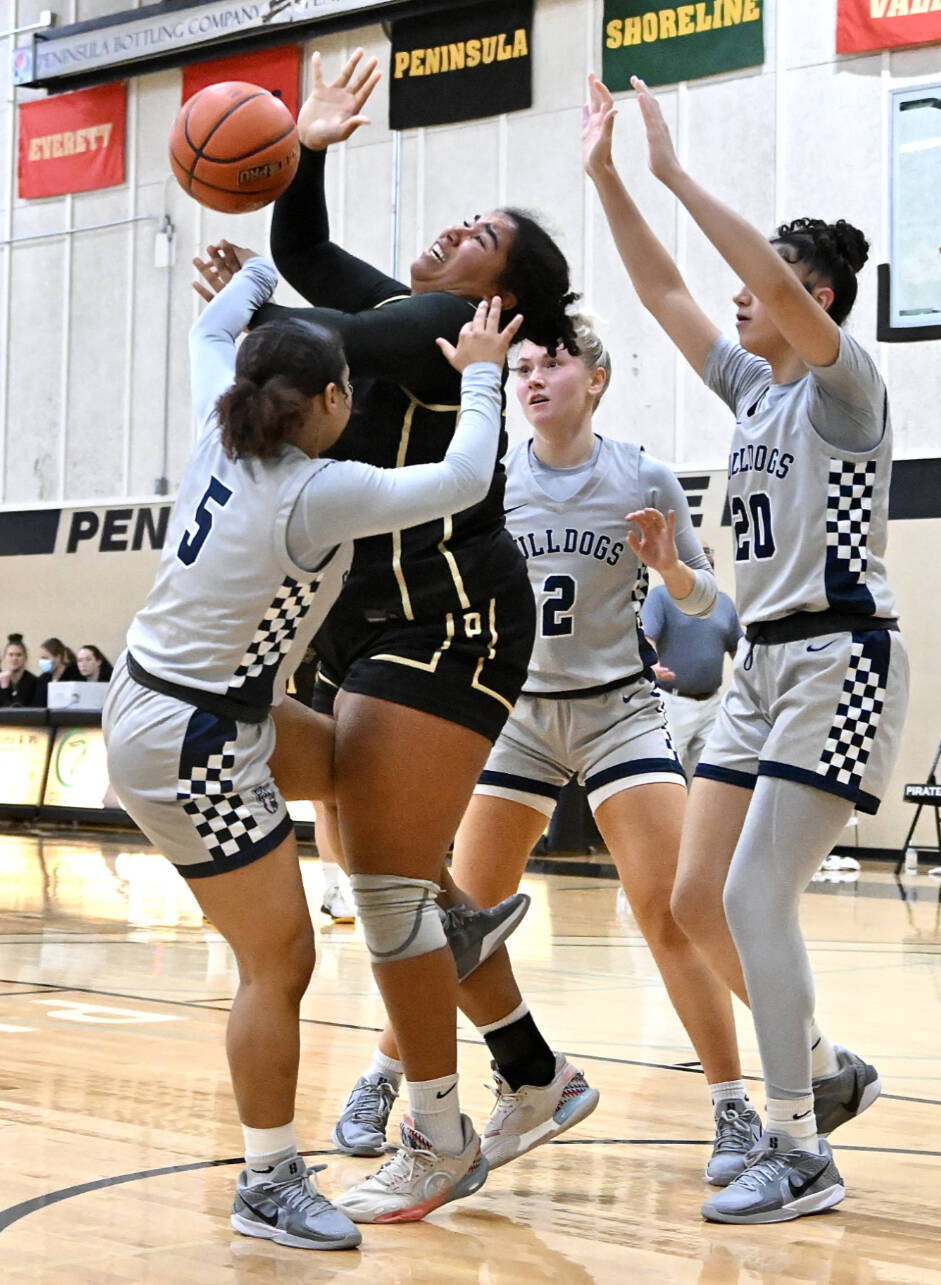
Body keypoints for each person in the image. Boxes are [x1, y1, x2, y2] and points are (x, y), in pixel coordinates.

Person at [195, 50, 597, 1223]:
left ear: (502, 294)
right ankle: (533, 1069)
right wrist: (309, 153)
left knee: (380, 881)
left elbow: (312, 323)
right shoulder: (404, 311)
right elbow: (311, 257)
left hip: (448, 616)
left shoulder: (444, 324)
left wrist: (242, 310)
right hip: (372, 624)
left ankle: (437, 1132)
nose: (457, 227)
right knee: (401, 873)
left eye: (483, 235)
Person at [104, 248, 524, 1250]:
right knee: (279, 959)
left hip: (196, 700)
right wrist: (483, 374)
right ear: (335, 398)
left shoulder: (219, 420)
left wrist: (253, 270)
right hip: (193, 739)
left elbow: (211, 328)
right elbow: (464, 477)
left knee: (356, 771)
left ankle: (447, 914)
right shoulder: (314, 491)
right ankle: (267, 1180)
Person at [583, 75, 909, 1224]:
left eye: (767, 283)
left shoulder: (843, 386)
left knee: (758, 893)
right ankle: (823, 1069)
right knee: (693, 897)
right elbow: (664, 288)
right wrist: (610, 179)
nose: (739, 296)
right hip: (763, 667)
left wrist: (676, 171)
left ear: (814, 299)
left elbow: (755, 280)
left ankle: (800, 1148)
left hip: (840, 660)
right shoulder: (751, 391)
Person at [337, 314, 763, 1184]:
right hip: (518, 716)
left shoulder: (642, 474)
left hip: (617, 711)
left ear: (595, 380)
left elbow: (707, 604)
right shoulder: (488, 475)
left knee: (669, 908)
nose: (532, 378)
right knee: (458, 920)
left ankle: (733, 1105)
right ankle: (382, 1077)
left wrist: (669, 568)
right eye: (522, 366)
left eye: (552, 363)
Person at [642, 544, 741, 781]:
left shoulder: (724, 603)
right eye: (701, 551)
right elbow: (648, 637)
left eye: (709, 552)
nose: (706, 555)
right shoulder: (661, 597)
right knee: (670, 770)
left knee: (709, 772)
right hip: (674, 702)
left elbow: (738, 649)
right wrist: (651, 664)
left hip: (712, 704)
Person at [31, 637, 81, 706]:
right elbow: (37, 705)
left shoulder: (74, 676)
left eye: (45, 658)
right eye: (41, 658)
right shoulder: (42, 679)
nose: (42, 661)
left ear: (58, 657)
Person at [0, 634, 37, 707]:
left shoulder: (33, 682)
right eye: (11, 655)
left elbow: (18, 709)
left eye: (19, 655)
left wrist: (5, 689)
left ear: (25, 657)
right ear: (4, 657)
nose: (14, 658)